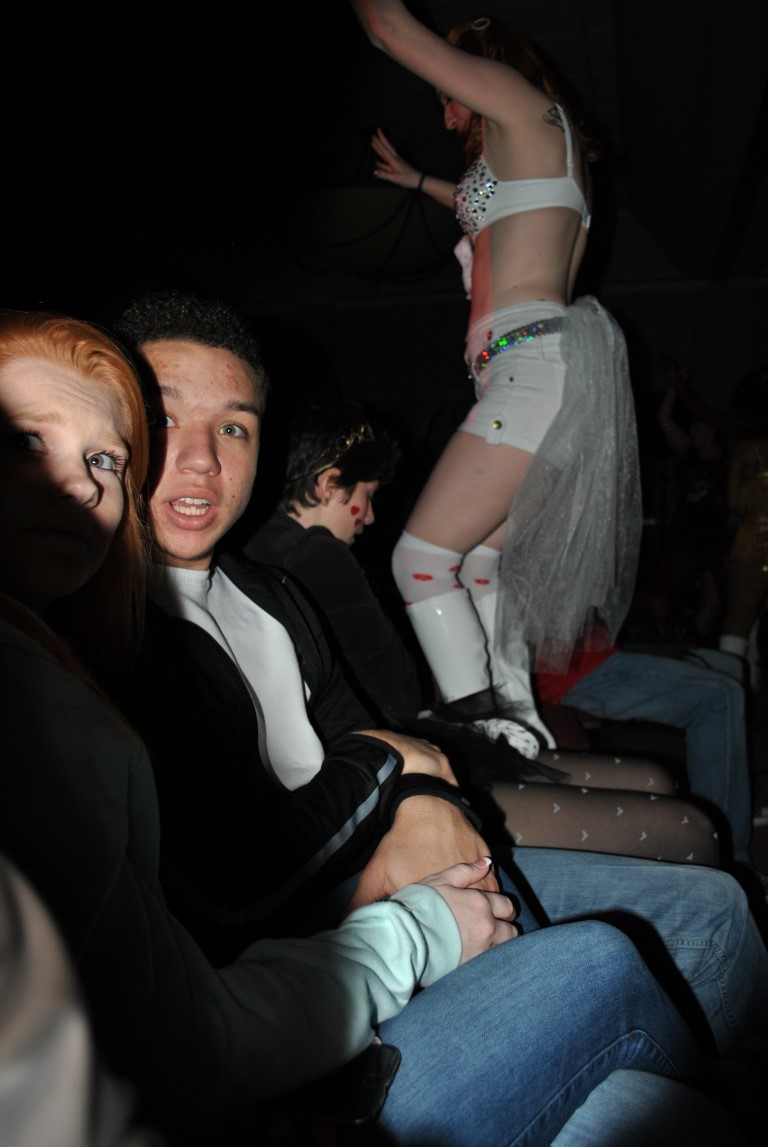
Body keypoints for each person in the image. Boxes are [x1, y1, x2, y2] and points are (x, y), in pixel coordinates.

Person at [3, 306, 753, 1147]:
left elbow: (390, 743)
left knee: (715, 909)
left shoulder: (272, 594)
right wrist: (390, 781)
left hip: (377, 893)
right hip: (297, 980)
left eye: (235, 427)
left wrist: (424, 799)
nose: (204, 458)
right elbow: (229, 890)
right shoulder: (97, 636)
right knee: (609, 981)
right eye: (167, 419)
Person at [246, 397, 722, 867]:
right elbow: (401, 694)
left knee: (656, 785)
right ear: (328, 484)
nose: (370, 516)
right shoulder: (318, 555)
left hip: (355, 777)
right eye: (366, 496)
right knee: (681, 819)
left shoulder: (256, 549)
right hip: (378, 785)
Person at [350, 2, 642, 745]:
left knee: (421, 560)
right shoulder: (533, 152)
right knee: (481, 564)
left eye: (451, 94)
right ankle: (518, 724)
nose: (448, 112)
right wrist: (420, 181)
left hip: (532, 368)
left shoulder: (525, 108)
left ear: (490, 69)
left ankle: (477, 726)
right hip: (536, 371)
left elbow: (389, 29)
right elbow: (486, 209)